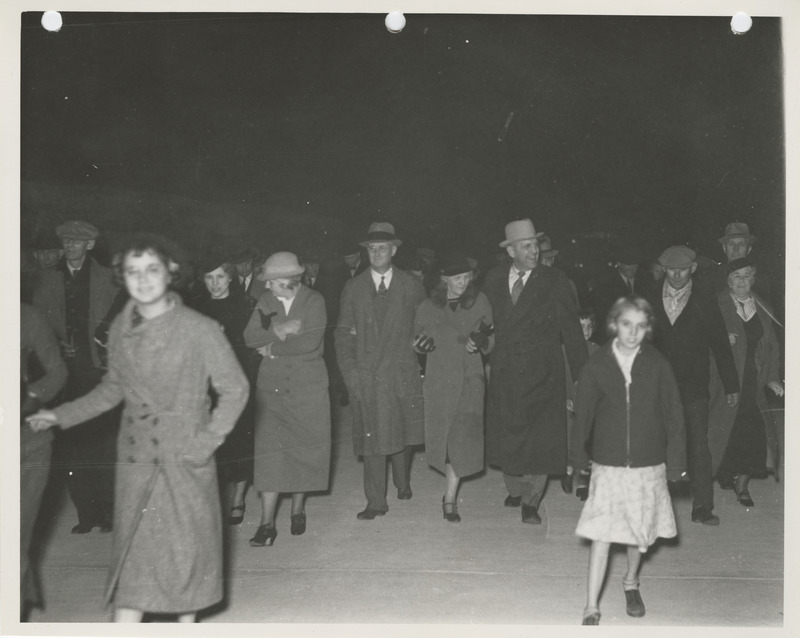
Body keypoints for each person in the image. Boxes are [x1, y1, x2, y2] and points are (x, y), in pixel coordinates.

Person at [27, 233, 249, 623]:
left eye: (152, 270)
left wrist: (205, 443)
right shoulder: (120, 328)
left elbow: (236, 389)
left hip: (183, 458)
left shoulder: (199, 328)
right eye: (132, 272)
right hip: (136, 460)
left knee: (184, 565)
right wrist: (61, 415)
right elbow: (113, 388)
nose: (142, 279)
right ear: (122, 277)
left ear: (170, 273)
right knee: (133, 567)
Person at [572, 296, 686, 625]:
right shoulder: (597, 364)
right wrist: (577, 455)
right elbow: (583, 417)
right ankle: (591, 605)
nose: (632, 332)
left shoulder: (658, 364)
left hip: (647, 463)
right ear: (613, 325)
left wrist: (676, 461)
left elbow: (675, 416)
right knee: (602, 533)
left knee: (639, 532)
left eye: (639, 326)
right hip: (607, 463)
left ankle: (631, 583)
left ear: (647, 328)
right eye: (626, 324)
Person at [483, 219, 588, 525]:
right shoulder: (493, 279)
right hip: (505, 370)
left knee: (539, 439)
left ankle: (531, 501)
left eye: (536, 245)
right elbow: (482, 320)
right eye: (527, 246)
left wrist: (582, 375)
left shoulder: (555, 280)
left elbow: (572, 331)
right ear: (511, 250)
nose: (535, 251)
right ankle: (515, 489)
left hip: (544, 371)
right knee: (509, 434)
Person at [335, 222, 426, 520]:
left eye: (382, 248)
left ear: (394, 250)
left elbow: (424, 327)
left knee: (401, 434)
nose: (376, 253)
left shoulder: (411, 285)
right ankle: (376, 501)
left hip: (400, 372)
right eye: (372, 248)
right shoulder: (353, 287)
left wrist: (422, 347)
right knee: (374, 438)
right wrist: (351, 375)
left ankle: (403, 481)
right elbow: (341, 334)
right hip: (367, 375)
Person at [32, 220, 118, 534]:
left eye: (77, 242)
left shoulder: (107, 279)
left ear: (90, 246)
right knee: (72, 445)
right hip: (64, 373)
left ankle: (107, 512)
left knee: (102, 443)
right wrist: (54, 343)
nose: (70, 246)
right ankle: (86, 514)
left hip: (97, 371)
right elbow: (37, 324)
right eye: (66, 241)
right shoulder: (48, 279)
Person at [644, 245, 739, 526]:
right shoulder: (648, 297)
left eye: (682, 269)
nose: (676, 275)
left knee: (698, 446)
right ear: (663, 269)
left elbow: (721, 344)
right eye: (671, 269)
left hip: (693, 387)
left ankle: (702, 507)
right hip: (656, 387)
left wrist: (731, 384)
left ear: (693, 269)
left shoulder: (704, 299)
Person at [243, 252, 331, 545]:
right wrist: (280, 329)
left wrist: (273, 348)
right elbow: (249, 337)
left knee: (302, 449)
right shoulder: (266, 302)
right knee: (270, 455)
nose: (267, 287)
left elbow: (311, 341)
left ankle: (297, 507)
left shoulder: (314, 301)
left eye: (272, 282)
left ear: (290, 280)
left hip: (308, 388)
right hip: (272, 389)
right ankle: (266, 524)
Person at [413, 253, 493, 522]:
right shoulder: (428, 306)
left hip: (470, 378)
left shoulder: (480, 301)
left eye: (466, 277)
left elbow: (491, 335)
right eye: (457, 278)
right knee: (444, 441)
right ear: (444, 279)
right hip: (440, 381)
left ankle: (449, 498)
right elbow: (417, 337)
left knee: (461, 441)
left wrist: (481, 341)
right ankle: (449, 494)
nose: (462, 283)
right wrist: (419, 345)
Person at [708, 258, 784, 505]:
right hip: (725, 379)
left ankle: (742, 483)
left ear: (754, 279)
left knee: (753, 432)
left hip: (754, 379)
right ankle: (726, 472)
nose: (743, 281)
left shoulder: (762, 306)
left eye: (747, 276)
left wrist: (772, 377)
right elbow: (698, 342)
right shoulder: (716, 303)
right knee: (727, 428)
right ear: (729, 280)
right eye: (737, 276)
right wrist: (719, 341)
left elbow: (772, 345)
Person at [195, 254, 258, 525]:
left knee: (239, 441)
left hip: (236, 381)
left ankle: (238, 498)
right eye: (209, 277)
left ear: (230, 278)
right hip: (205, 385)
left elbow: (253, 345)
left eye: (220, 277)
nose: (214, 283)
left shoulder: (245, 305)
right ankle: (214, 498)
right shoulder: (197, 308)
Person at [20, 303, 68, 620]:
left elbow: (58, 372)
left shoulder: (27, 316)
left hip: (27, 445)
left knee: (13, 539)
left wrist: (29, 396)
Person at [564, 308, 601, 498]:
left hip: (589, 404)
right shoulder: (565, 350)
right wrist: (567, 397)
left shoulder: (597, 351)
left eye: (589, 327)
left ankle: (583, 482)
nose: (585, 331)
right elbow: (562, 377)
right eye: (581, 327)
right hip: (571, 404)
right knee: (571, 440)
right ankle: (569, 471)